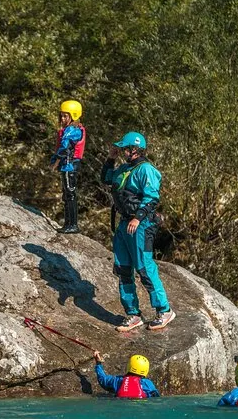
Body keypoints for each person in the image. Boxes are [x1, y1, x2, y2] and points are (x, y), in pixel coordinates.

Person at [101, 132, 174, 332]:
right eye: (123, 149)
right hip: (124, 224)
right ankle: (133, 314)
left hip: (141, 224)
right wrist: (111, 158)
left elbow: (151, 199)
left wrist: (137, 218)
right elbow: (106, 179)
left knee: (144, 267)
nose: (124, 152)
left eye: (126, 148)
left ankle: (164, 310)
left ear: (136, 149)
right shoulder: (123, 169)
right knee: (123, 268)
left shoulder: (146, 169)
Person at [51, 100, 86, 234]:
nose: (62, 119)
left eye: (65, 116)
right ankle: (68, 223)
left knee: (70, 194)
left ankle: (73, 225)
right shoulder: (68, 130)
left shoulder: (74, 131)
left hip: (69, 166)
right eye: (61, 116)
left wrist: (55, 161)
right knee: (66, 195)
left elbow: (65, 147)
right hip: (66, 165)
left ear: (73, 115)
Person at [93, 351, 160, 398]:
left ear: (129, 366)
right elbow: (156, 397)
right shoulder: (148, 384)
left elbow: (102, 379)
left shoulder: (118, 380)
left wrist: (98, 363)